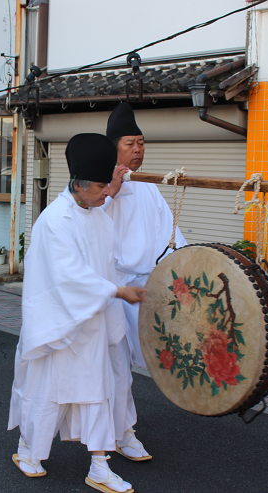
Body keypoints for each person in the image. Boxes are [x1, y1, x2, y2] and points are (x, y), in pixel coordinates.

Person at [8, 133, 147, 493]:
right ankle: (28, 450)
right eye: (102, 186)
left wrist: (117, 290)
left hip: (93, 321)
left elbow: (106, 265)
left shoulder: (99, 216)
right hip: (59, 325)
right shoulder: (55, 220)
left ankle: (100, 465)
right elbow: (68, 275)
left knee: (96, 392)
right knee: (48, 392)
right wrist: (116, 291)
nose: (107, 193)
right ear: (80, 185)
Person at [100, 103, 185, 462]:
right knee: (115, 367)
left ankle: (117, 429)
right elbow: (87, 228)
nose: (138, 149)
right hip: (110, 290)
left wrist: (182, 269)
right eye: (130, 143)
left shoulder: (149, 186)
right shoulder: (101, 187)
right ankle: (122, 433)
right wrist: (111, 194)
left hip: (144, 288)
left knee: (143, 363)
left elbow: (170, 235)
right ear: (113, 148)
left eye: (142, 142)